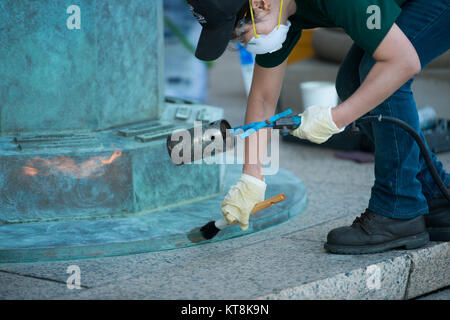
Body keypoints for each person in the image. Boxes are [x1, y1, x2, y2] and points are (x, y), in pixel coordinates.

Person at [187, 0, 450, 254]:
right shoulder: (279, 12)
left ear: (261, 4)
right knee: (353, 83)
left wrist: (337, 118)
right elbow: (263, 98)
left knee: (379, 73)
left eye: (240, 35)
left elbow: (403, 62)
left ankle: (398, 207)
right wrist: (251, 177)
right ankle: (436, 198)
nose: (244, 43)